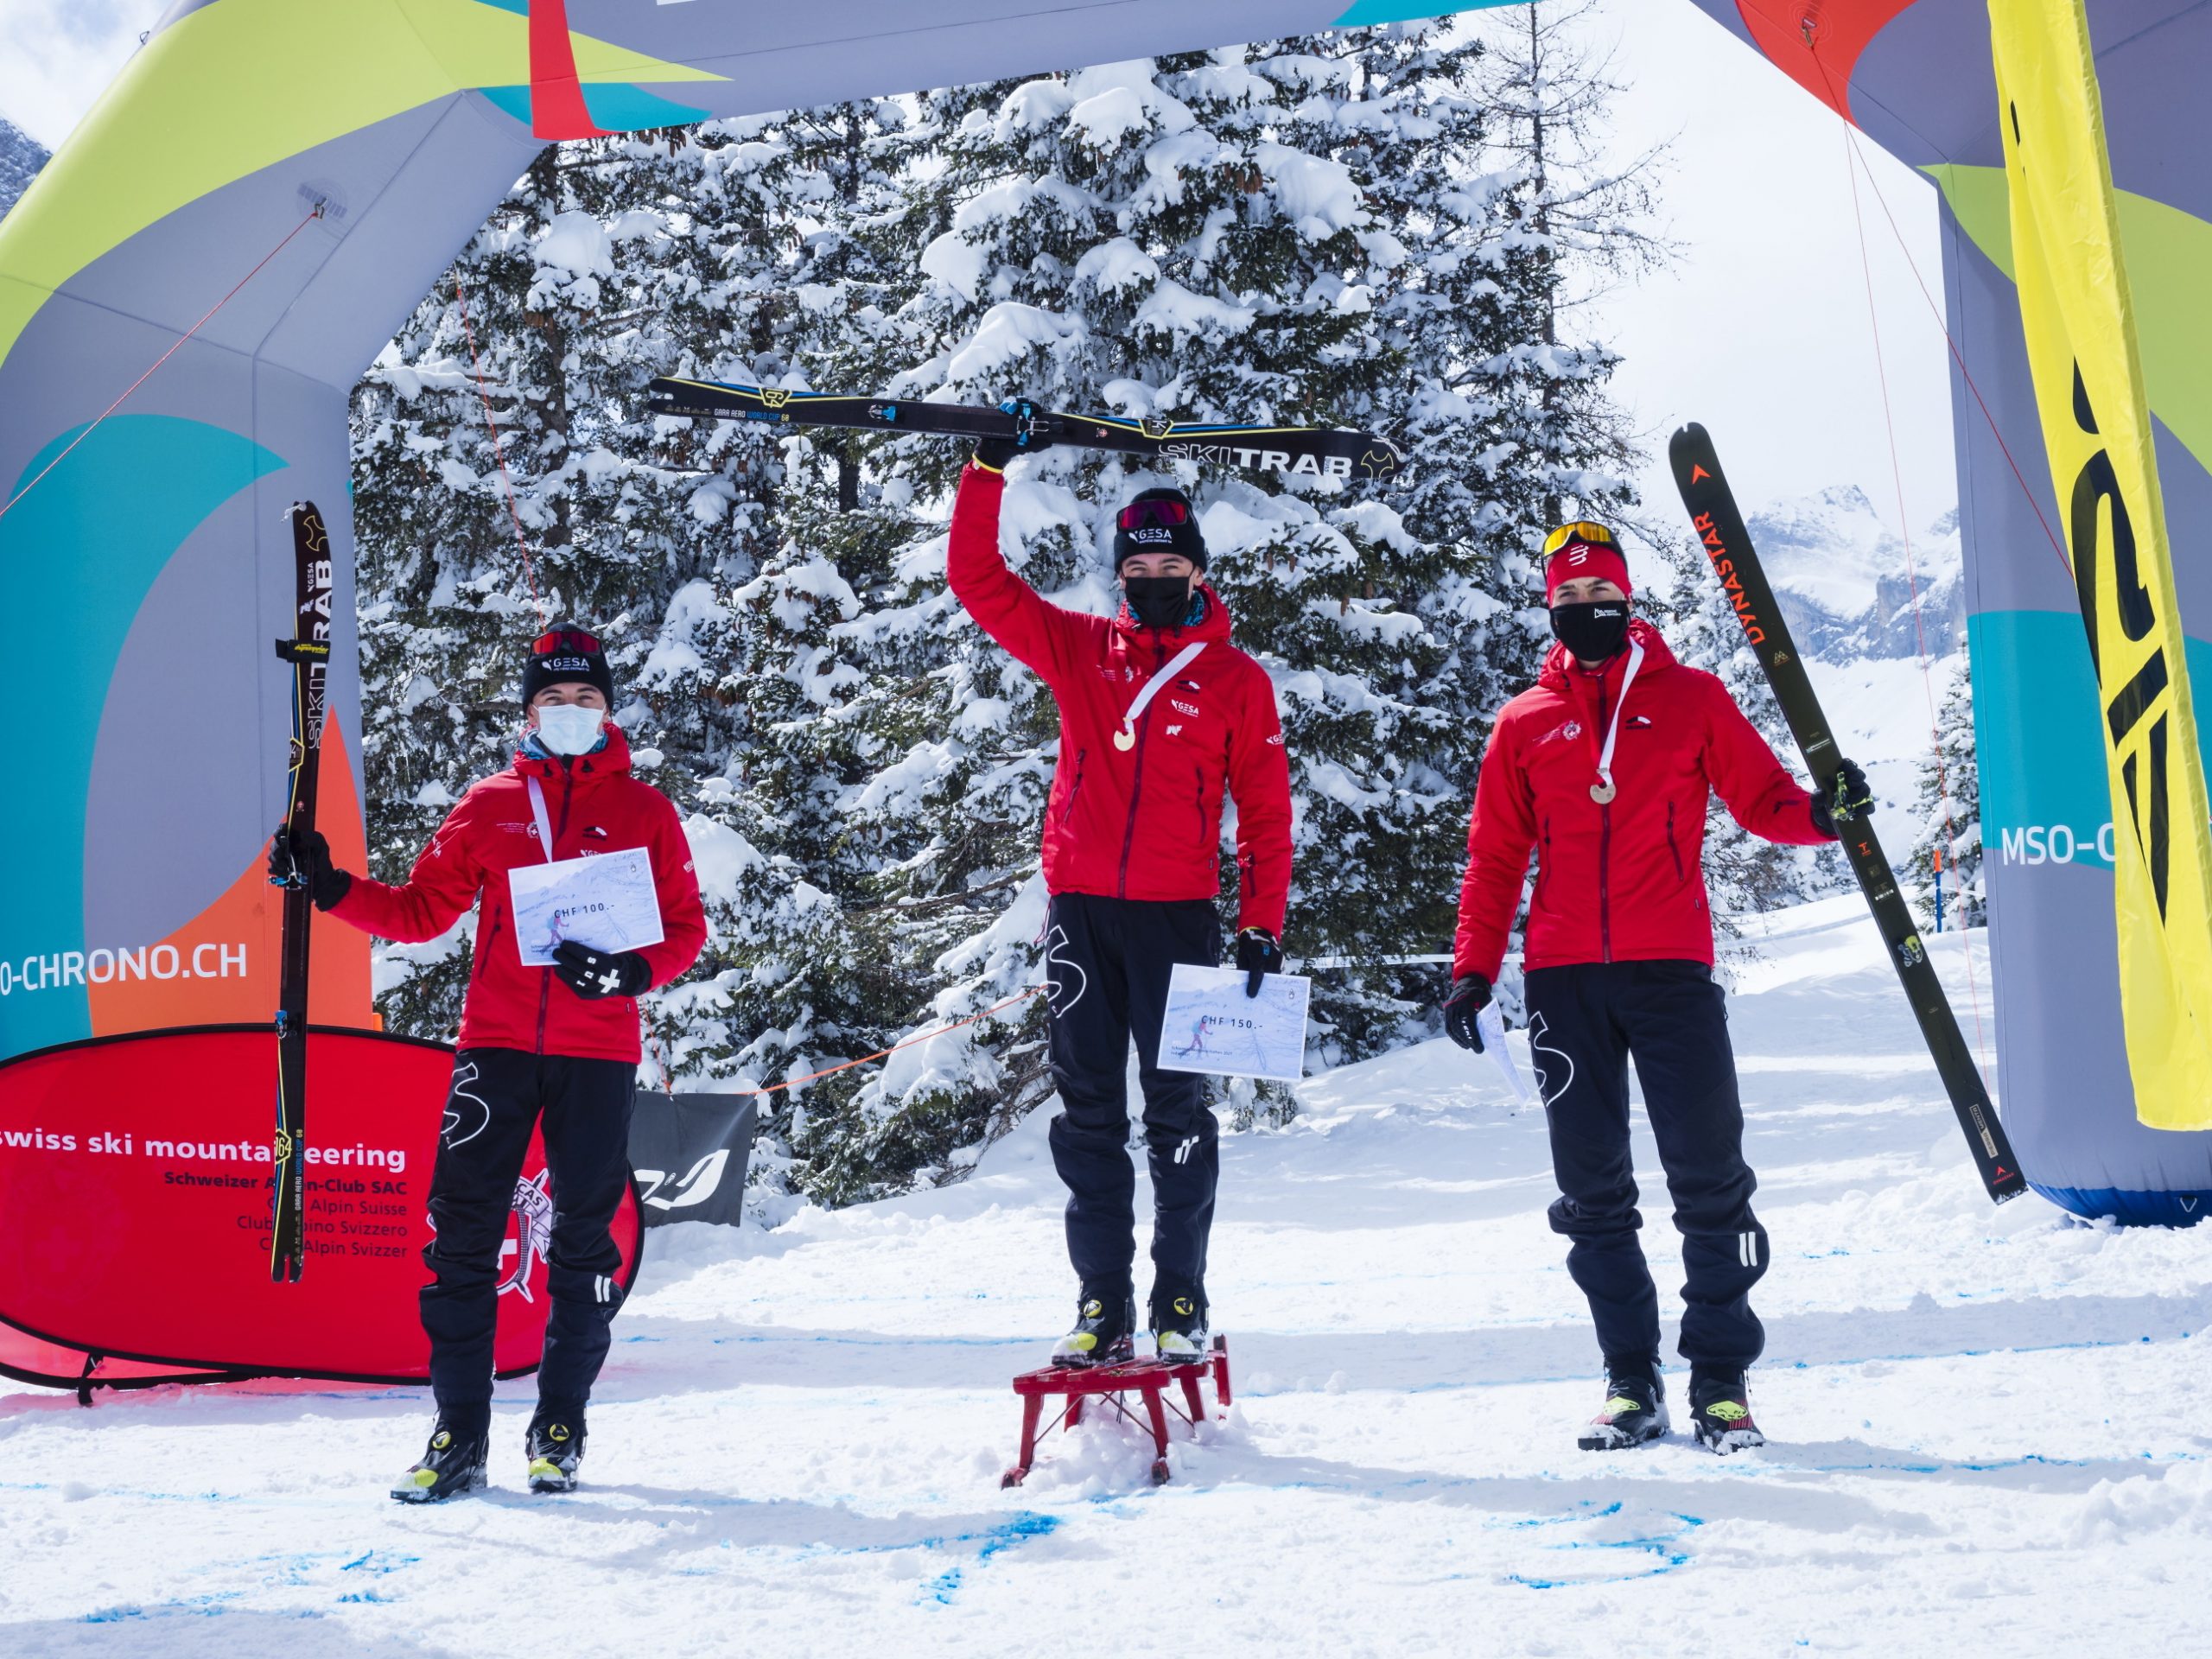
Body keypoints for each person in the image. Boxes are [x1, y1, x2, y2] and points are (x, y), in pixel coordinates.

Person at [1441, 522, 1871, 1454]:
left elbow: (1763, 803)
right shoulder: (1522, 723)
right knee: (1591, 1195)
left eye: (1603, 602)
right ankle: (1629, 1382)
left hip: (1670, 970)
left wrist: (1822, 817)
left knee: (1709, 1180)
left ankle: (1719, 1383)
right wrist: (1473, 969)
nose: (1588, 616)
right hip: (1562, 983)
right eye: (1570, 606)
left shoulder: (1690, 699)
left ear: (1627, 605)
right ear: (1551, 614)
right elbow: (1494, 857)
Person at [270, 625, 706, 1501]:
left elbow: (685, 928)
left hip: (596, 1052)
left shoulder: (644, 812)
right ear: (530, 711)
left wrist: (632, 969)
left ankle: (558, 1429)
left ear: (608, 710)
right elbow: (423, 910)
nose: (571, 714)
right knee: (462, 1239)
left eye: (587, 701)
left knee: (583, 1246)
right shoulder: (492, 803)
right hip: (495, 1047)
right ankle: (458, 1434)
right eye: (554, 701)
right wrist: (332, 888)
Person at [951, 417, 1293, 1368]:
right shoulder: (1077, 651)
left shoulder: (1234, 680)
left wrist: (1261, 926)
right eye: (1135, 573)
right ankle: (1102, 1303)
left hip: (1179, 921)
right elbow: (979, 583)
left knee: (1177, 1114)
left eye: (1167, 572)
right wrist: (986, 472)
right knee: (1089, 1115)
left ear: (1196, 574)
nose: (1150, 586)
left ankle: (1179, 1295)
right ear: (1120, 576)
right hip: (1083, 920)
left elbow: (1265, 817)